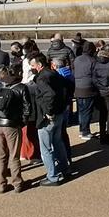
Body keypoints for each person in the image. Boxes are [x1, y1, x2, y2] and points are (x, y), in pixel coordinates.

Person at [0, 66, 32, 193]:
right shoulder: (21, 88)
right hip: (12, 125)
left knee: (0, 156)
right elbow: (27, 108)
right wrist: (22, 122)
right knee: (14, 156)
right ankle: (17, 183)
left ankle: (1, 185)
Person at [30, 55, 70, 186]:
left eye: (33, 65)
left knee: (46, 148)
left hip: (48, 117)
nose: (32, 68)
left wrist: (48, 111)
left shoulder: (42, 78)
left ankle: (52, 176)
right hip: (59, 114)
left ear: (39, 65)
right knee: (58, 143)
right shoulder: (54, 74)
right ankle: (65, 169)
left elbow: (49, 94)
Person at [71, 42, 99, 141]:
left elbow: (73, 72)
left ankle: (81, 130)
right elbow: (95, 76)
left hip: (78, 88)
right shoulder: (93, 60)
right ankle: (85, 131)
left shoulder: (77, 59)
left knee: (81, 110)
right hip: (88, 88)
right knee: (87, 111)